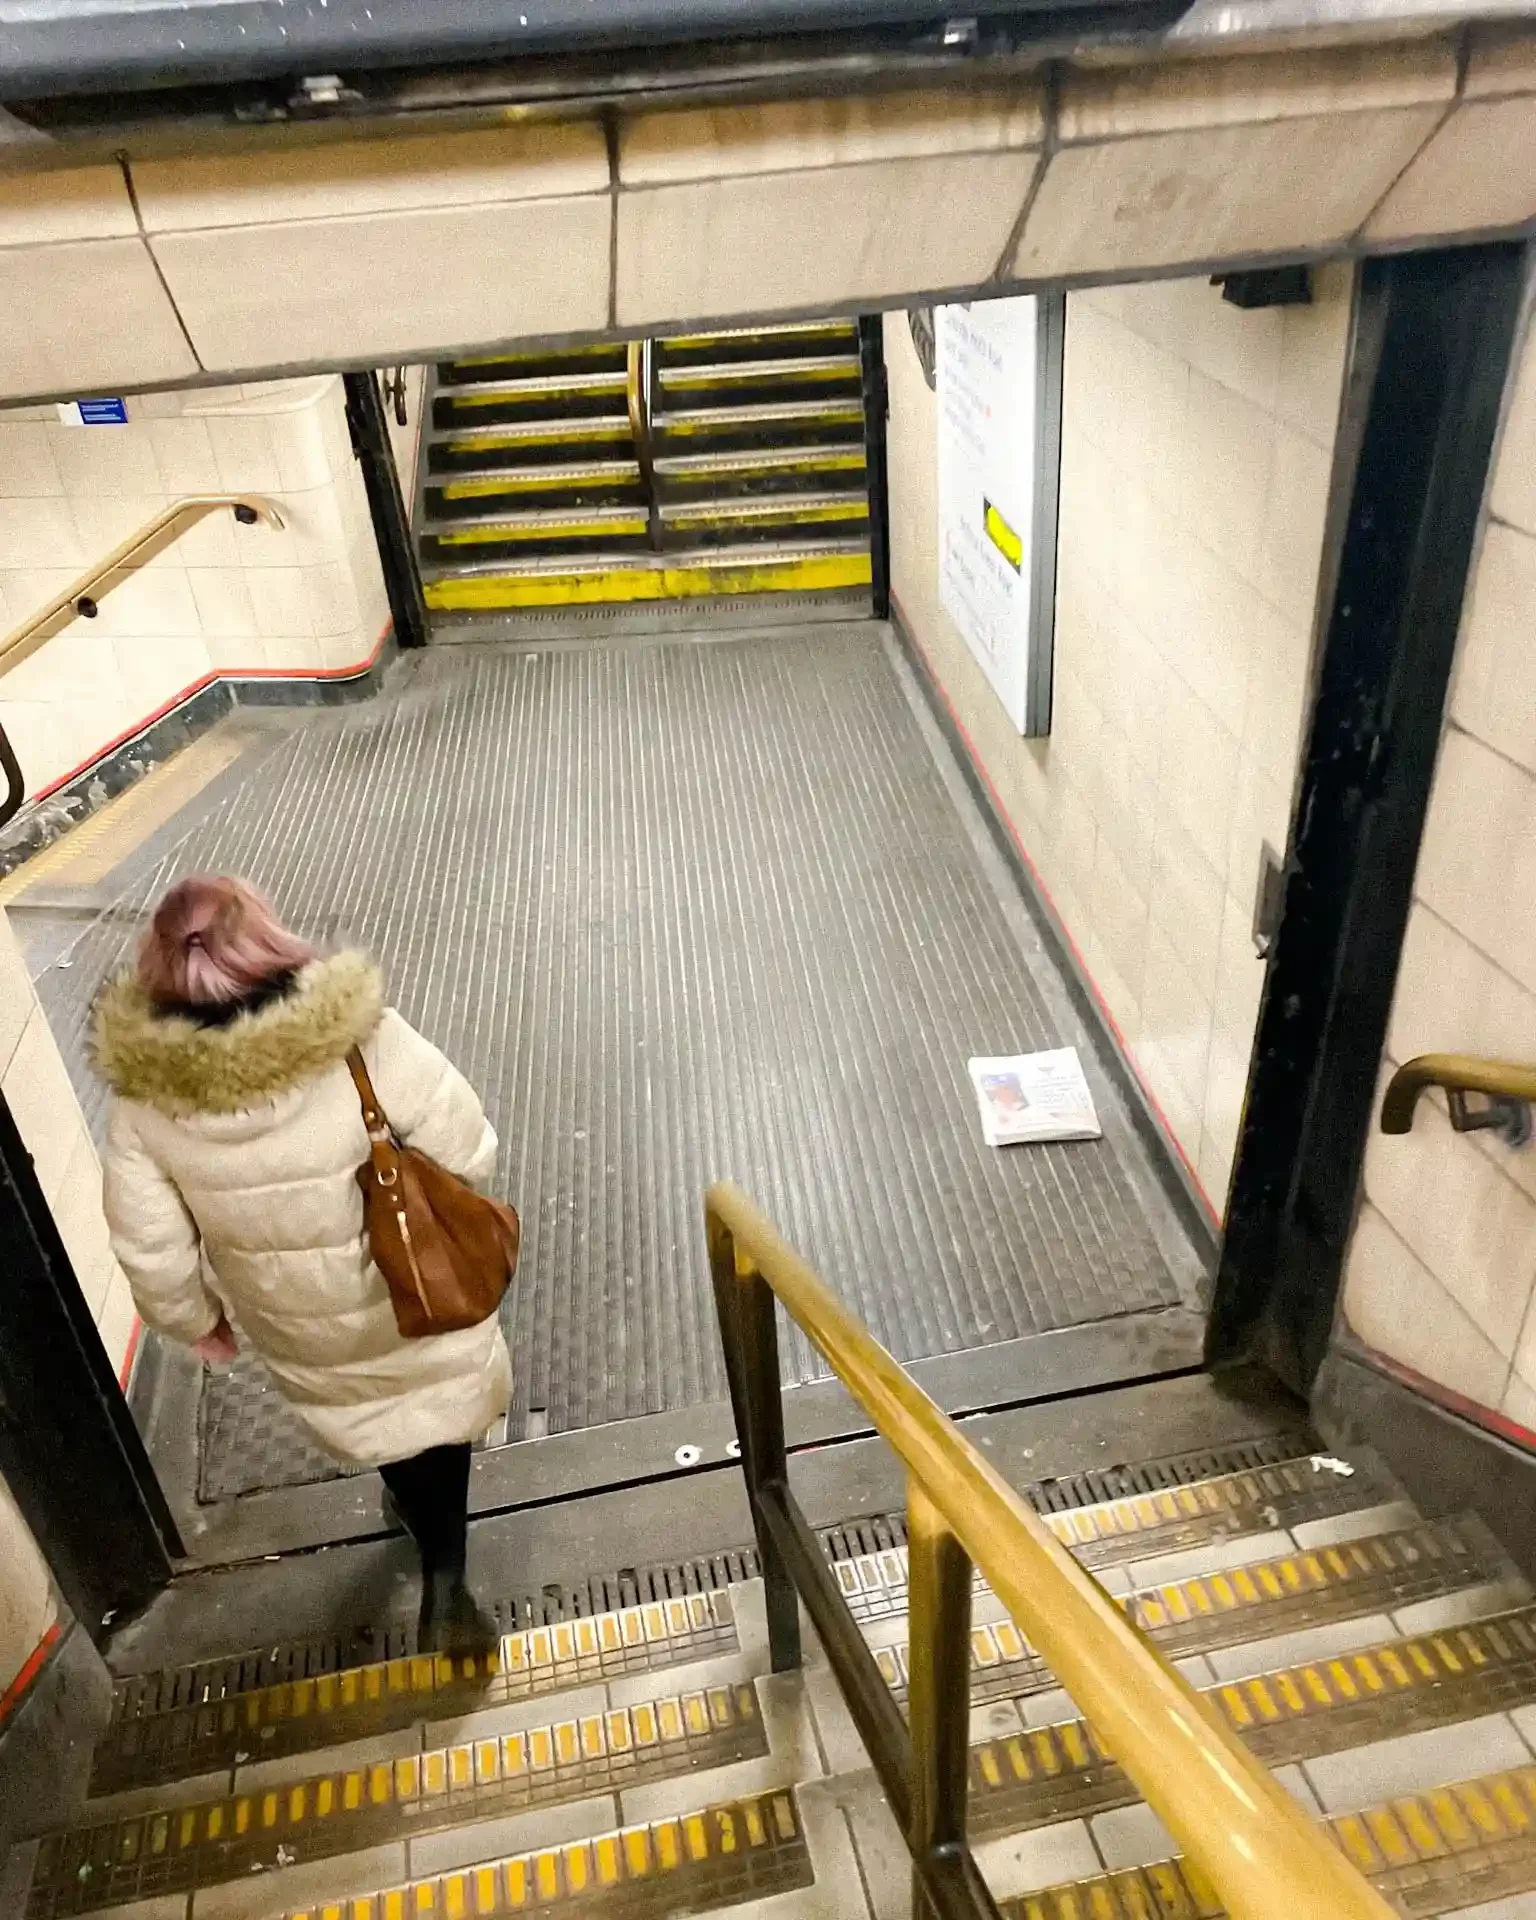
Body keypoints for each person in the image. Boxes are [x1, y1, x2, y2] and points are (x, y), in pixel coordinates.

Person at [93, 874, 511, 1653]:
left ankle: (410, 1511)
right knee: (432, 1416)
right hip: (412, 1288)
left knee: (368, 1412)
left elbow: (149, 1246)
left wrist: (197, 1322)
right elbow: (468, 1147)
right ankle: (446, 1575)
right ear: (267, 939)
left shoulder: (144, 1102)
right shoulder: (362, 1038)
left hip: (294, 1317)